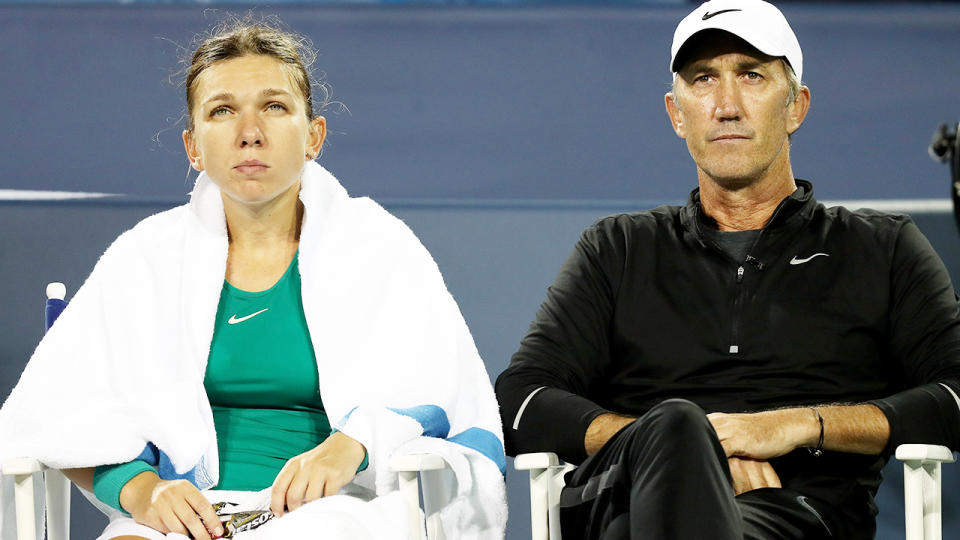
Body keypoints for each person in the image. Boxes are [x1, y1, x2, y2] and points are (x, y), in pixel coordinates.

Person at [0, 16, 505, 540]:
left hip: (339, 509)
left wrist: (352, 445)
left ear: (314, 136)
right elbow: (55, 415)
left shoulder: (380, 246)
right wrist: (144, 492)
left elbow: (443, 391)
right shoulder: (144, 258)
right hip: (189, 515)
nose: (249, 133)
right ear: (193, 146)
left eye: (274, 106)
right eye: (222, 111)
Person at [495, 1, 960, 538]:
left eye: (752, 75)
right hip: (623, 495)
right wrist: (674, 447)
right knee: (673, 426)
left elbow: (954, 393)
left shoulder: (881, 248)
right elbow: (520, 401)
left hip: (793, 516)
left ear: (796, 107)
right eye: (703, 79)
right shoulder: (618, 248)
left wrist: (794, 425)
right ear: (676, 112)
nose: (727, 105)